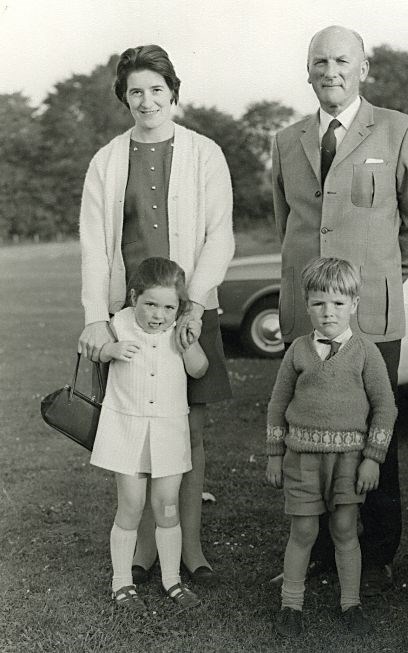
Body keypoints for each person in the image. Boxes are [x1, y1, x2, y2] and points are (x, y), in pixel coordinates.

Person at [271, 25, 408, 593]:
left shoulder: (397, 129)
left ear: (363, 69)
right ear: (308, 69)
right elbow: (287, 224)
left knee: (373, 435)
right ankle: (315, 547)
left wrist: (381, 281)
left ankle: (378, 550)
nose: (330, 71)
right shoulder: (287, 138)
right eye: (320, 61)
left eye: (343, 60)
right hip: (305, 317)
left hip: (371, 321)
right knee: (306, 433)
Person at [78, 44, 234, 586]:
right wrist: (97, 317)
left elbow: (220, 235)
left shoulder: (204, 153)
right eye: (136, 92)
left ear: (174, 93)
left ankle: (189, 547)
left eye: (157, 91)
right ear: (125, 98)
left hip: (191, 310)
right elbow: (95, 246)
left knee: (188, 431)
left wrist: (194, 304)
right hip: (131, 316)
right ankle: (143, 550)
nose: (147, 101)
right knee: (135, 428)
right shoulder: (107, 160)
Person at [266, 257, 397, 637]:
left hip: (349, 460)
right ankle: (291, 605)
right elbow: (277, 404)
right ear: (306, 304)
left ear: (354, 304)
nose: (328, 313)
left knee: (344, 529)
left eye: (338, 304)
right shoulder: (297, 352)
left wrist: (373, 459)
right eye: (319, 303)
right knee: (303, 531)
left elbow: (385, 407)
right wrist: (274, 453)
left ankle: (351, 602)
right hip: (301, 457)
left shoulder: (366, 352)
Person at [91, 257, 208, 611]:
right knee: (130, 505)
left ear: (179, 307)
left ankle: (172, 579)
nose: (158, 314)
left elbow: (200, 370)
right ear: (133, 298)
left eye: (168, 307)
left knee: (166, 506)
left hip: (168, 430)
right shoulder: (119, 324)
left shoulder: (179, 330)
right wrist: (110, 350)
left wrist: (189, 344)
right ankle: (121, 582)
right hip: (126, 427)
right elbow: (94, 351)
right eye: (150, 304)